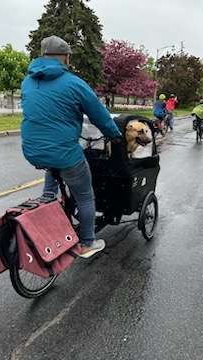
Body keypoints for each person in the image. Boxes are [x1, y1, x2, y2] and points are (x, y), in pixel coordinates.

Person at [20, 35, 122, 259]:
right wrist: (115, 135)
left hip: (32, 150)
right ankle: (87, 243)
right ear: (66, 58)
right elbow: (99, 116)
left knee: (52, 162)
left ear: (42, 55)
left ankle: (48, 198)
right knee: (86, 195)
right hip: (63, 152)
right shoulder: (74, 83)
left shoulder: (28, 81)